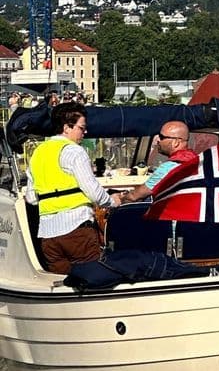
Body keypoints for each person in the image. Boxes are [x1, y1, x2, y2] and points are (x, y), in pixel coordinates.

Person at [25, 102, 124, 274]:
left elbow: (31, 198)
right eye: (81, 128)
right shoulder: (74, 152)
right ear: (66, 128)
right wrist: (112, 201)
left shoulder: (38, 153)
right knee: (93, 279)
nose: (85, 132)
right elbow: (93, 192)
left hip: (48, 236)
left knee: (62, 285)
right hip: (77, 230)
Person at [124, 121, 198, 203]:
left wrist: (119, 197)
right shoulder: (197, 161)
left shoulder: (168, 168)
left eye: (162, 137)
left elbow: (135, 196)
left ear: (176, 142)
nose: (158, 140)